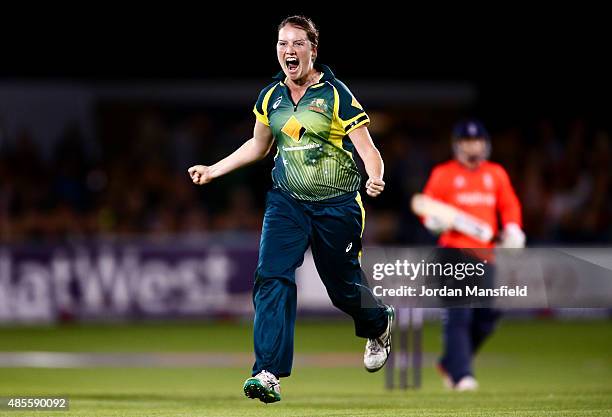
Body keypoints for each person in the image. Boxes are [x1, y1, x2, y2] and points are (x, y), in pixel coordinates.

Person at [188, 15, 393, 404]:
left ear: (313, 50)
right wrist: (214, 169)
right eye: (283, 43)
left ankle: (378, 322)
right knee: (271, 275)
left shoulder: (335, 94)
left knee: (343, 288)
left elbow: (368, 148)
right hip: (287, 202)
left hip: (338, 205)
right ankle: (267, 371)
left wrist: (375, 175)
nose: (289, 51)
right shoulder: (270, 97)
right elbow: (258, 145)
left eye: (297, 43)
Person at [421, 119, 525, 391]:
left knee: (487, 318)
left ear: (485, 144)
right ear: (458, 145)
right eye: (467, 141)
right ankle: (461, 376)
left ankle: (449, 362)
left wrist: (513, 228)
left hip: (486, 257)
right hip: (452, 255)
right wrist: (433, 219)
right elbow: (427, 205)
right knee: (460, 316)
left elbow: (509, 204)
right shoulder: (443, 174)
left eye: (477, 141)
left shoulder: (496, 174)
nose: (472, 146)